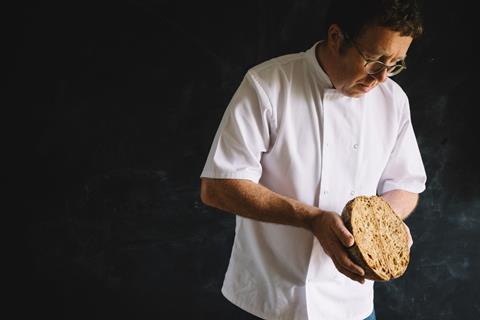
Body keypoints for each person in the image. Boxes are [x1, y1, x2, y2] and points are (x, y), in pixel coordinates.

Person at [200, 0, 427, 319]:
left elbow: (406, 185)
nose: (381, 78)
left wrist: (382, 224)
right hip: (269, 299)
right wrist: (310, 218)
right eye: (374, 59)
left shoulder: (394, 101)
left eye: (395, 64)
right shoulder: (267, 84)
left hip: (353, 304)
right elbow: (218, 186)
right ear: (336, 37)